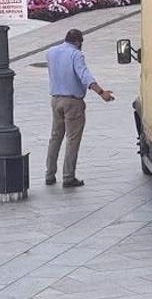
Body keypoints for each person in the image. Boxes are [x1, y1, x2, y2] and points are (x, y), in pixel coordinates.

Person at [46, 29, 114, 188]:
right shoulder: (76, 55)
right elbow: (84, 75)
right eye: (81, 42)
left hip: (55, 100)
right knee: (72, 139)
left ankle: (49, 174)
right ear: (77, 41)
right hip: (72, 102)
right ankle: (68, 176)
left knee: (55, 137)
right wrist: (101, 92)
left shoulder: (51, 52)